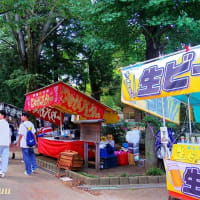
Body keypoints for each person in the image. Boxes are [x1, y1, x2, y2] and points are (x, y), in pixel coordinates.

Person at [17, 112, 38, 176]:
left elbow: (20, 135)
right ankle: (34, 167)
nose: (21, 117)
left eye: (21, 116)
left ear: (25, 116)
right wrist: (36, 141)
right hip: (31, 143)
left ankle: (28, 171)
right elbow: (34, 134)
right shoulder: (31, 124)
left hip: (24, 144)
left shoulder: (22, 125)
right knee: (32, 155)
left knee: (26, 157)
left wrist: (18, 142)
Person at [0, 110, 11, 178]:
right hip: (6, 143)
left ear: (2, 115)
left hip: (0, 142)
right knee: (5, 157)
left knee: (2, 157)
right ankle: (2, 171)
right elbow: (9, 134)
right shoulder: (7, 123)